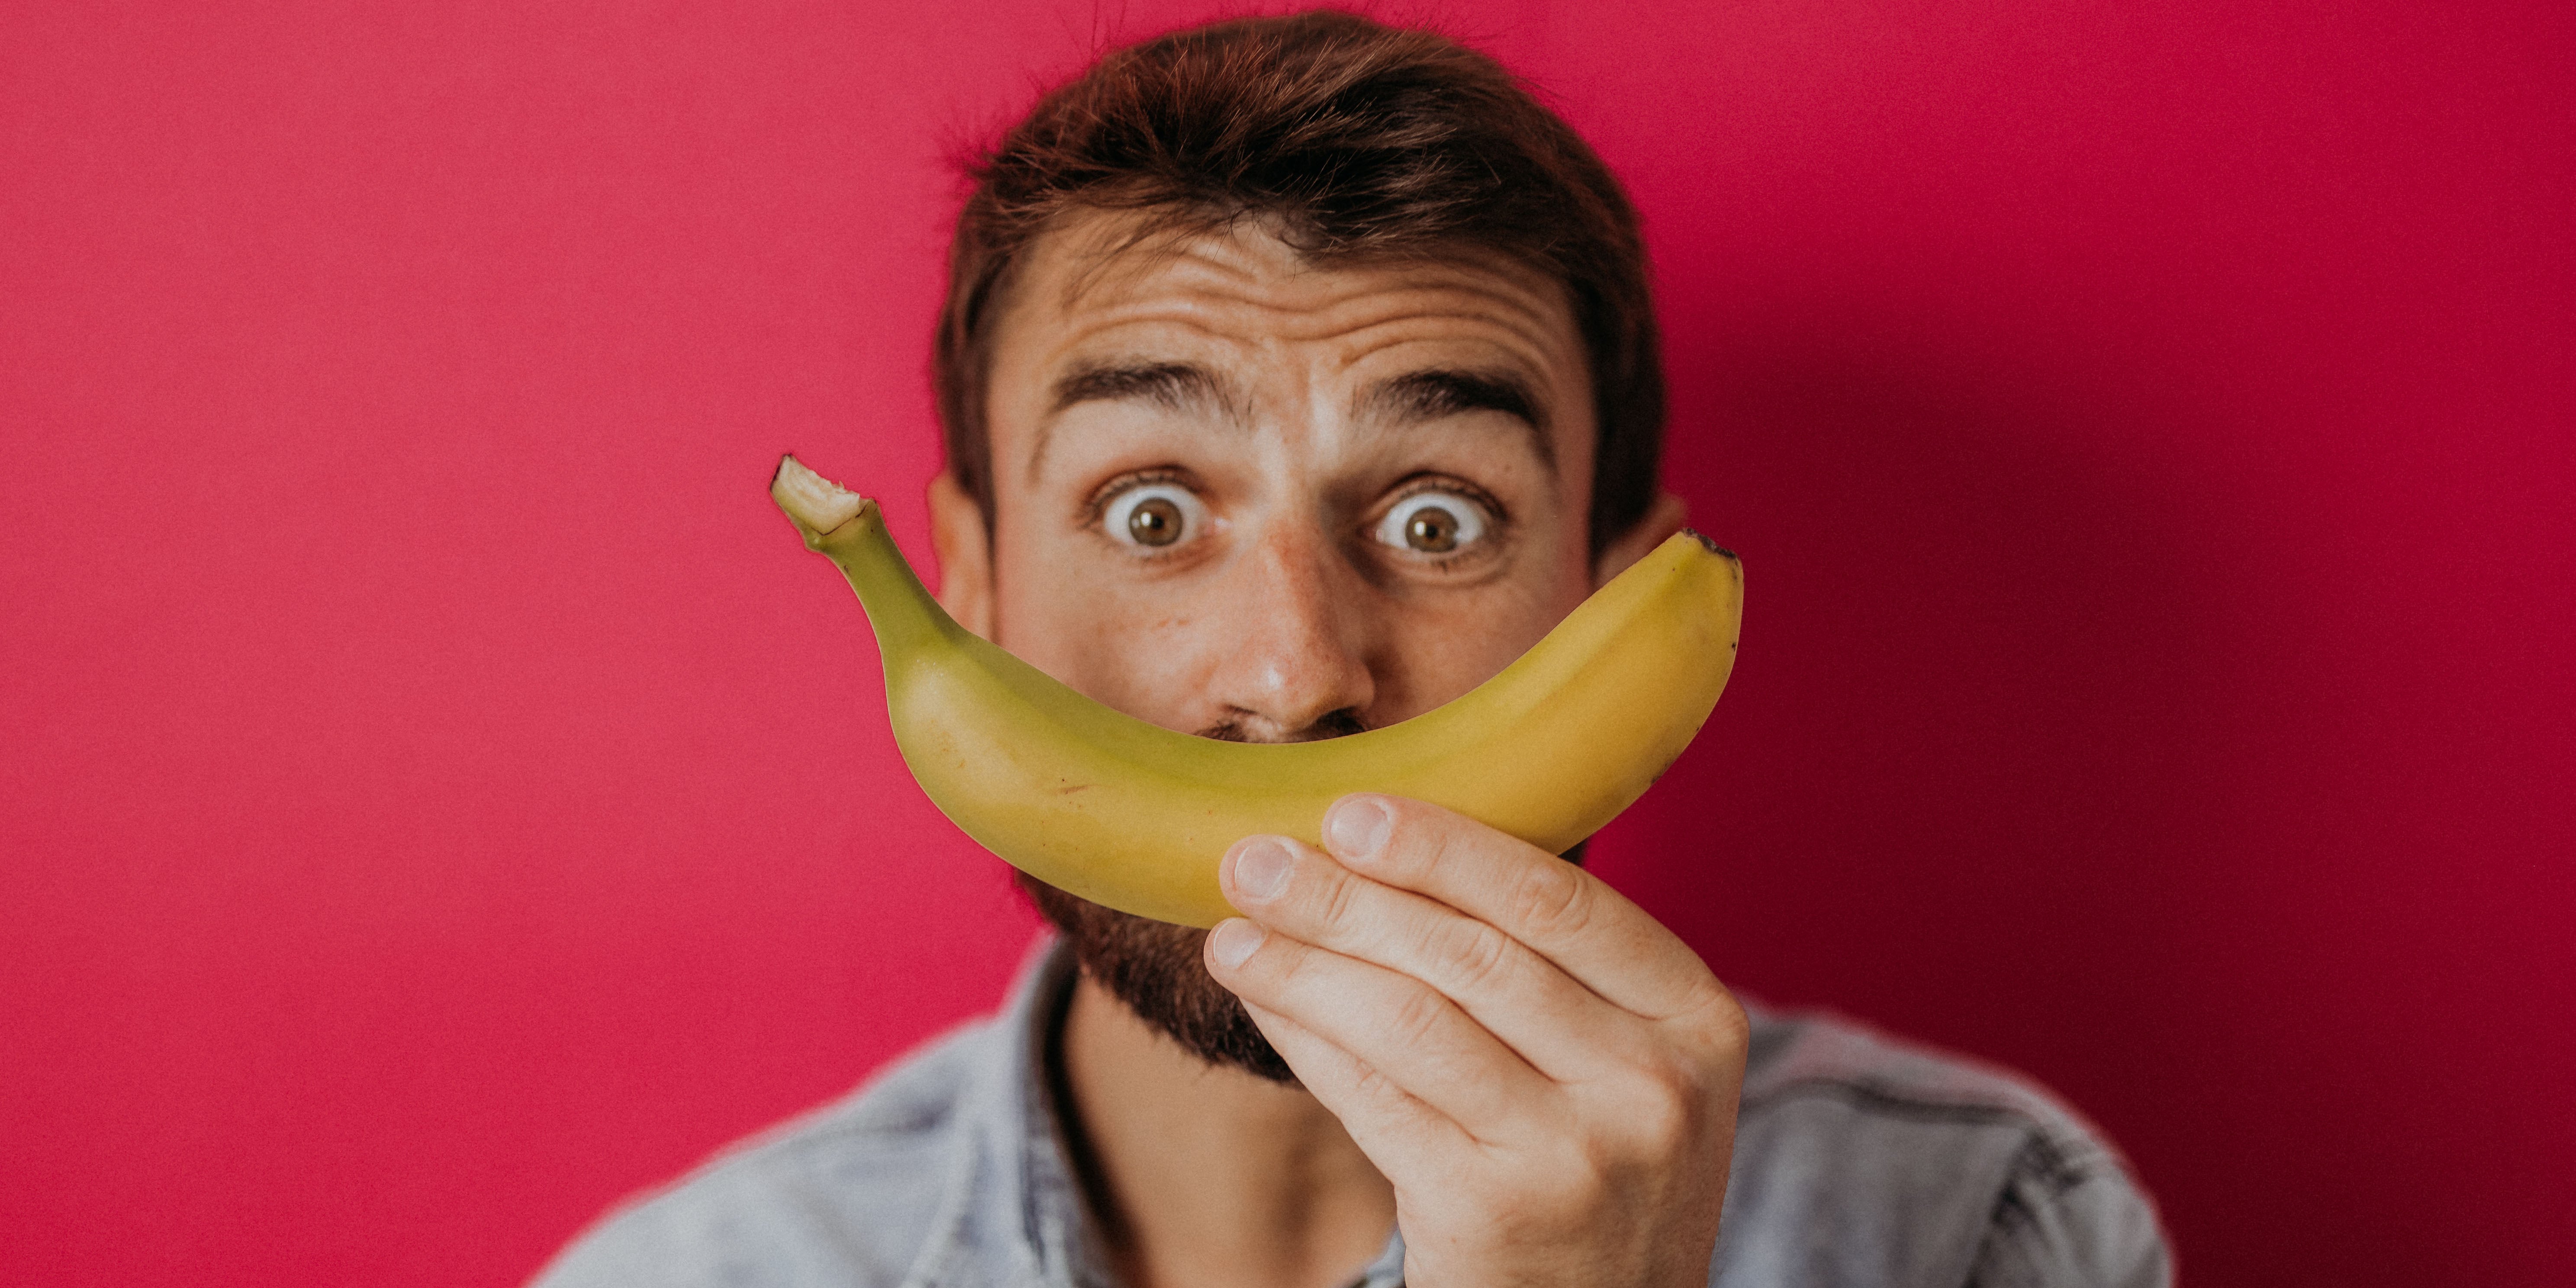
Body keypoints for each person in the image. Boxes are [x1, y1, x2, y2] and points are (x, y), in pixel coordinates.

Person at [532, 12, 2170, 1287]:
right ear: (972, 589)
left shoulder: (1992, 1231)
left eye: (1440, 519)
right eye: (1152, 513)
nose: (1297, 675)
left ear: (1615, 607)